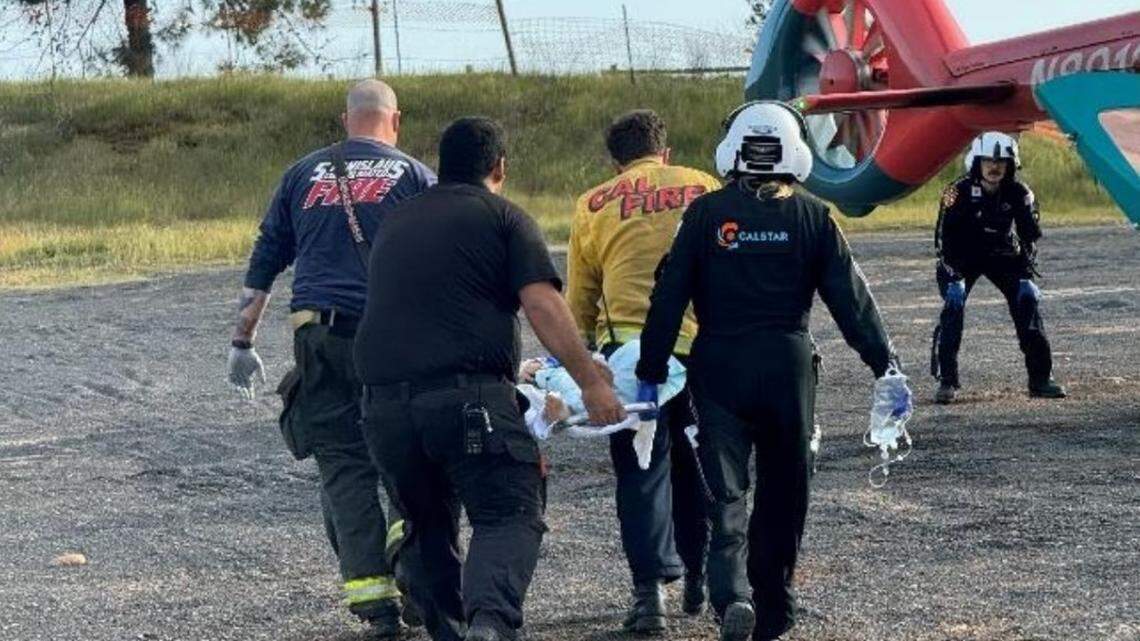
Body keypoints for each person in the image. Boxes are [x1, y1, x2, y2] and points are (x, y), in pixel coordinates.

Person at [636, 101, 909, 641]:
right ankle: (775, 609)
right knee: (786, 491)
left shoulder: (706, 215)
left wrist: (650, 369)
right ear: (794, 151)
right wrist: (886, 364)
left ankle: (732, 596)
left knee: (727, 490)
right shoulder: (814, 218)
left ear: (734, 149)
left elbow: (668, 298)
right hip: (788, 367)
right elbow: (851, 302)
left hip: (719, 365)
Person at [353, 116, 626, 641]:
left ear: (440, 165)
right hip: (467, 399)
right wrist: (591, 381)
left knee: (427, 526)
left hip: (384, 411)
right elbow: (543, 304)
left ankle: (454, 632)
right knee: (509, 510)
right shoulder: (503, 217)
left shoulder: (397, 220)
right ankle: (491, 624)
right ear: (499, 167)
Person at [226, 79, 435, 636]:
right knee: (408, 457)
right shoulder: (415, 176)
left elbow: (265, 258)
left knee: (343, 465)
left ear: (346, 120)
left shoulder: (302, 174)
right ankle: (416, 575)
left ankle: (375, 606)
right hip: (393, 340)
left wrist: (241, 342)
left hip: (317, 338)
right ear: (396, 119)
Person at [566, 109, 721, 632]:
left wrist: (580, 358)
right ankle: (702, 577)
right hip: (702, 348)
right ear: (666, 152)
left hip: (630, 358)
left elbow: (581, 293)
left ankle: (648, 595)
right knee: (700, 464)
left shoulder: (593, 202)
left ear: (616, 162)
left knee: (640, 472)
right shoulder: (702, 185)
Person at [931, 131, 1066, 403]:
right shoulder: (955, 192)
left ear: (1011, 165)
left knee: (1027, 300)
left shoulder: (1020, 193)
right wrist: (953, 277)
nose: (994, 167)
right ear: (976, 162)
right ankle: (947, 381)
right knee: (953, 307)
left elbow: (1029, 237)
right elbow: (943, 241)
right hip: (961, 258)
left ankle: (1041, 379)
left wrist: (1027, 275)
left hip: (1003, 254)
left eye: (1001, 162)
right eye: (988, 161)